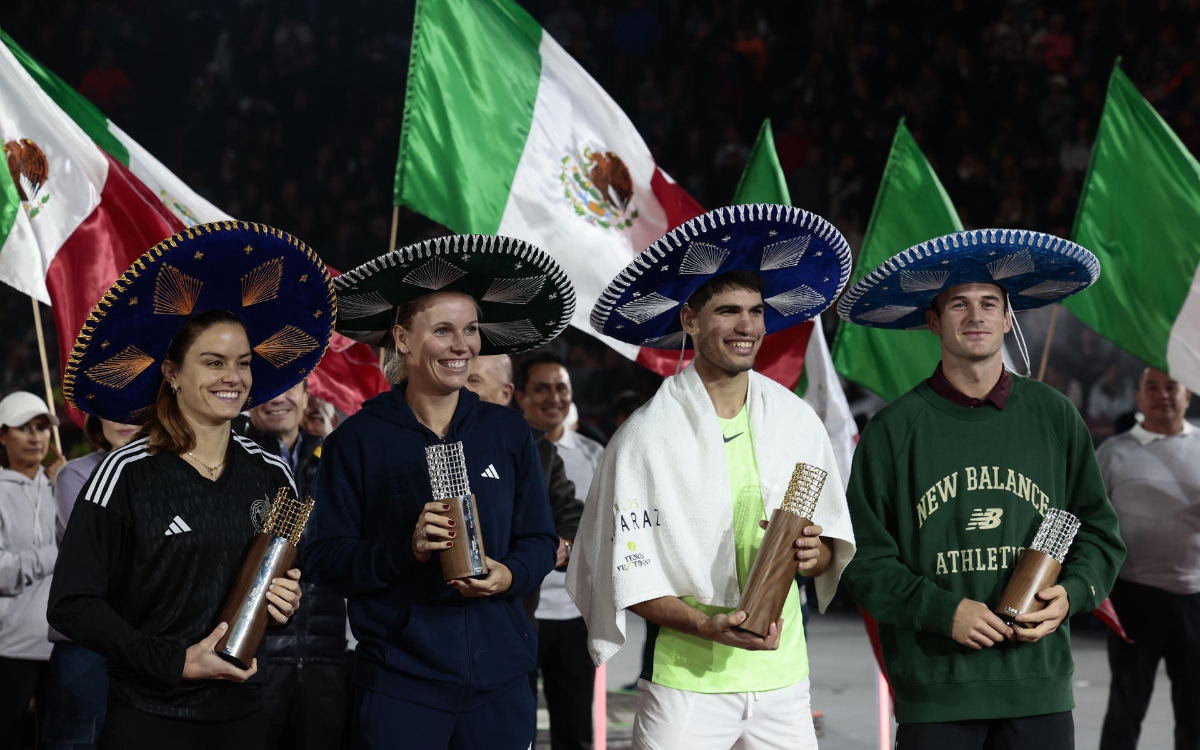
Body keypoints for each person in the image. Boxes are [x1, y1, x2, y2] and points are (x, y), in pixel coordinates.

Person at [568, 205, 857, 750]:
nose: (746, 326)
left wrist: (812, 554)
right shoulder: (644, 439)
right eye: (727, 311)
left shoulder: (798, 421)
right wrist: (705, 626)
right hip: (686, 684)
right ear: (690, 321)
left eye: (754, 311)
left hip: (784, 680)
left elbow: (825, 553)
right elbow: (628, 574)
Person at [49, 222, 336, 749]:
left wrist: (285, 598)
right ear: (173, 373)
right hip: (149, 718)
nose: (234, 377)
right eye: (214, 362)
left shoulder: (272, 473)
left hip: (245, 717)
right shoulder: (125, 472)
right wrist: (174, 662)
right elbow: (72, 604)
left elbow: (277, 579)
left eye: (244, 364)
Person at [837, 228, 1127, 749]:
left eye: (990, 303)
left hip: (1038, 687)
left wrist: (1073, 594)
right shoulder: (892, 431)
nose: (976, 316)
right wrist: (941, 611)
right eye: (959, 306)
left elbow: (1099, 532)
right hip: (937, 689)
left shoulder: (1055, 415)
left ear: (1008, 318)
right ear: (932, 321)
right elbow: (864, 561)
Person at [305, 234, 572, 750]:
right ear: (402, 339)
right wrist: (404, 551)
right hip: (400, 687)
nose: (462, 346)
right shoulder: (356, 441)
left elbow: (540, 539)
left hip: (501, 685)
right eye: (443, 330)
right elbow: (324, 559)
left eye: (470, 330)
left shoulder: (508, 432)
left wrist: (508, 573)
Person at [1098, 367, 1200, 750]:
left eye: (1171, 386)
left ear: (1187, 394)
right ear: (1138, 398)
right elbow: (1090, 520)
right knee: (1126, 707)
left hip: (1194, 598)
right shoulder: (1113, 452)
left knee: (1194, 712)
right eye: (1151, 387)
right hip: (1132, 598)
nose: (1163, 394)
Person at [242, 381, 347, 750]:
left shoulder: (335, 459)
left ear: (306, 395)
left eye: (288, 387)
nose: (277, 397)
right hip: (253, 661)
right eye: (266, 387)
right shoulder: (230, 459)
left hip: (326, 656)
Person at [515, 353, 602, 750]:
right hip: (521, 613)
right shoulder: (507, 450)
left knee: (575, 729)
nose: (553, 397)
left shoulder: (595, 455)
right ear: (519, 396)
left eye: (561, 387)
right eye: (541, 388)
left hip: (575, 613)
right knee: (518, 727)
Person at [43, 416, 140, 750]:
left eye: (134, 407)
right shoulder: (77, 474)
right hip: (85, 647)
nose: (124, 418)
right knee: (80, 740)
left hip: (148, 644)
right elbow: (99, 556)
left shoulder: (172, 470)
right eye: (112, 408)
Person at [0, 391, 65, 749]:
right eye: (23, 428)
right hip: (10, 648)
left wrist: (64, 485)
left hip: (62, 644)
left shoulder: (61, 482)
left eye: (41, 427)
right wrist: (56, 555)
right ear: (2, 435)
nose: (36, 436)